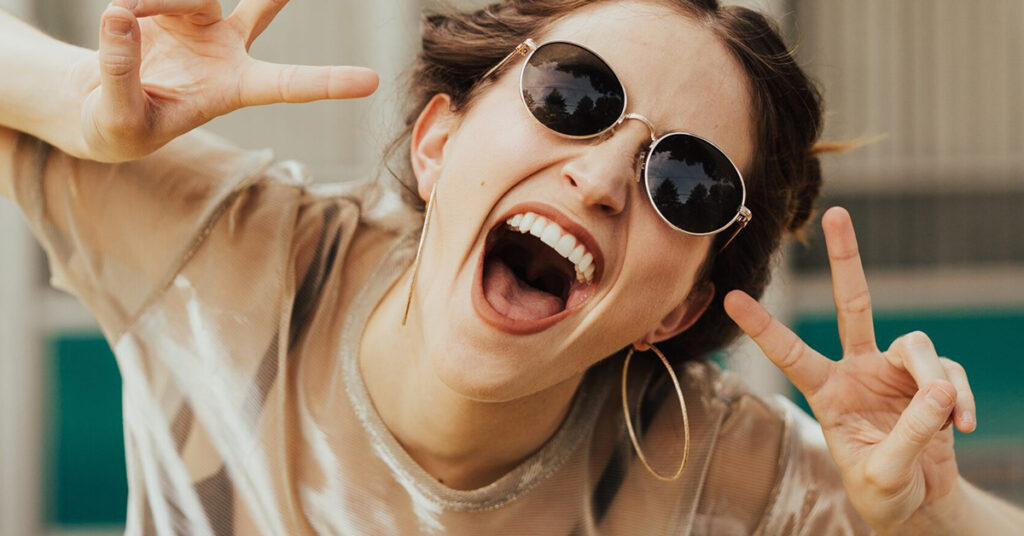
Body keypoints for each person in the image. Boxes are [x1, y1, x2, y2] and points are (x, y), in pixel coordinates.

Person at [0, 0, 1021, 534]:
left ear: (676, 308)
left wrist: (928, 509)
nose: (604, 177)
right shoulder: (229, 252)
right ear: (439, 141)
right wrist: (77, 101)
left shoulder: (717, 470)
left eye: (688, 182)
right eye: (574, 95)